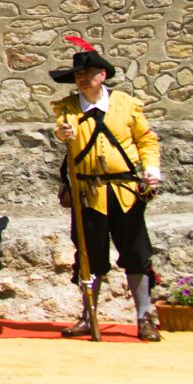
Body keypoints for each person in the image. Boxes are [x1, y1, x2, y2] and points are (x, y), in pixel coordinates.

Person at [50, 38, 163, 341]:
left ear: (103, 75)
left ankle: (145, 317)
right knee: (89, 256)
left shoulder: (127, 105)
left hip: (126, 192)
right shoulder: (68, 108)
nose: (83, 78)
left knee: (137, 254)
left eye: (88, 73)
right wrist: (64, 133)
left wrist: (152, 170)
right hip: (88, 194)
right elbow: (62, 129)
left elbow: (147, 141)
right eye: (78, 75)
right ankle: (88, 317)